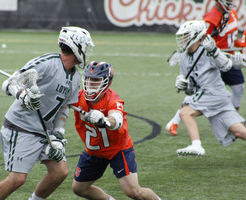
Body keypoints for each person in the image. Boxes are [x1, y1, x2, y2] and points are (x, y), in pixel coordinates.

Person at [0, 26, 94, 200]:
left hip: (45, 131)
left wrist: (58, 136)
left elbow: (64, 107)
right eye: (85, 46)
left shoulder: (75, 76)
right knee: (17, 179)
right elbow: (10, 83)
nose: (87, 51)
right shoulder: (48, 63)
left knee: (60, 172)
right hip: (21, 127)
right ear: (76, 46)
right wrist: (23, 96)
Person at [71, 61, 162, 200]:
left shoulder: (113, 99)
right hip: (93, 151)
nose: (90, 84)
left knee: (134, 191)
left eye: (95, 80)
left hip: (118, 149)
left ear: (106, 82)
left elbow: (116, 119)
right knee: (79, 189)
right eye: (88, 79)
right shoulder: (77, 96)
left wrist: (104, 120)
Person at [166, 0, 246, 136]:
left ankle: (234, 121)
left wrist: (240, 44)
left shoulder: (231, 13)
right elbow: (197, 42)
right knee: (202, 90)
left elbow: (230, 38)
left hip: (226, 56)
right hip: (213, 59)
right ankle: (175, 121)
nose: (230, 2)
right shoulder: (210, 19)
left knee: (238, 87)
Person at [172, 20, 246, 156]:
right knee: (238, 131)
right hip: (214, 97)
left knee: (185, 112)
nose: (183, 39)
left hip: (213, 94)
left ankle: (196, 145)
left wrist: (215, 52)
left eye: (186, 35)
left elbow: (227, 67)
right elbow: (191, 89)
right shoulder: (183, 57)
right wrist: (183, 85)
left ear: (196, 36)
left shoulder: (207, 50)